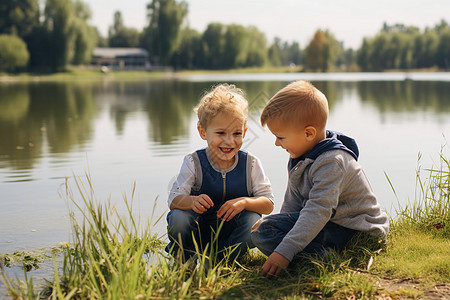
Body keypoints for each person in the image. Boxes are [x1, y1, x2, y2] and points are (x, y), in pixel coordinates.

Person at [251, 80, 389, 278]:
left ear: (308, 133)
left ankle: (324, 258)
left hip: (355, 229)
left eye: (281, 137)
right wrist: (280, 231)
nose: (276, 143)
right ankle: (305, 253)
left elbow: (319, 210)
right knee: (262, 229)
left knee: (264, 233)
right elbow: (292, 206)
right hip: (329, 223)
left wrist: (284, 251)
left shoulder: (332, 162)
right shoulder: (301, 155)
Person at [166, 83, 274, 263]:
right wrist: (192, 201)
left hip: (232, 233)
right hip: (198, 230)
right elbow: (174, 200)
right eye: (221, 133)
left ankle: (219, 259)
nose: (229, 141)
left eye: (237, 133)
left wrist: (244, 202)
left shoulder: (251, 164)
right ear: (203, 132)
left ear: (245, 132)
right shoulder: (193, 162)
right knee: (178, 217)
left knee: (255, 222)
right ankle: (186, 257)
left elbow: (268, 204)